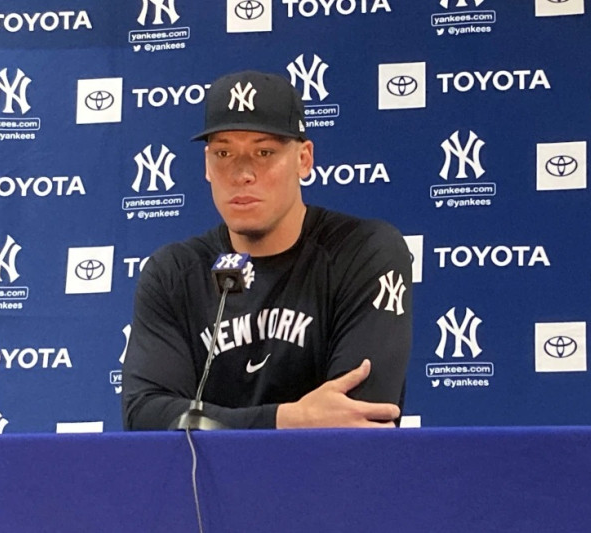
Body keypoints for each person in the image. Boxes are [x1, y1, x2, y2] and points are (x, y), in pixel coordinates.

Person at [122, 71, 412, 430]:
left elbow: (359, 418)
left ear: (304, 160)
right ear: (206, 166)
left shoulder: (363, 252)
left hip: (328, 484)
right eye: (224, 152)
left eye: (264, 152)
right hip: (204, 487)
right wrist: (288, 419)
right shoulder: (173, 272)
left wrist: (223, 427)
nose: (242, 173)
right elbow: (145, 417)